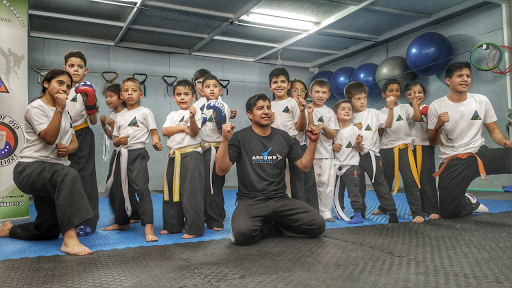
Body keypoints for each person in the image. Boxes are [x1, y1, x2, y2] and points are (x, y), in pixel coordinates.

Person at [0, 69, 94, 255]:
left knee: (48, 230)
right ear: (46, 84)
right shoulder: (36, 107)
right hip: (29, 169)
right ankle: (70, 240)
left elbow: (74, 142)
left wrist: (68, 149)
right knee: (68, 173)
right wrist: (58, 109)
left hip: (52, 174)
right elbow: (49, 138)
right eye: (60, 83)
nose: (65, 89)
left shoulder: (66, 113)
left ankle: (9, 229)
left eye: (68, 86)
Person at [215, 94, 325, 245]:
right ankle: (267, 226)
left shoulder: (284, 137)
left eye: (268, 108)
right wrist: (224, 140)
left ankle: (271, 228)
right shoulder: (240, 138)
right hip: (251, 201)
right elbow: (221, 170)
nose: (266, 111)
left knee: (317, 225)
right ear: (250, 115)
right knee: (242, 234)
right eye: (260, 108)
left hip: (280, 199)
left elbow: (304, 166)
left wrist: (313, 142)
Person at [428, 61, 512, 219]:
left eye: (468, 76)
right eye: (459, 76)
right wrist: (438, 125)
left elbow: (494, 130)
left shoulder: (481, 101)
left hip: (479, 153)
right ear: (448, 81)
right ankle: (469, 201)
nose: (465, 79)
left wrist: (505, 142)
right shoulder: (436, 106)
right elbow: (433, 142)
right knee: (448, 212)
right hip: (452, 160)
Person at [103, 77, 162, 242]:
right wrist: (118, 141)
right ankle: (122, 222)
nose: (130, 93)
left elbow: (153, 132)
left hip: (138, 154)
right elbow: (115, 139)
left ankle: (149, 227)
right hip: (121, 154)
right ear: (121, 96)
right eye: (126, 91)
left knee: (141, 189)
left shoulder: (145, 112)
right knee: (119, 190)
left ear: (140, 94)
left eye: (134, 90)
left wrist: (156, 141)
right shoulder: (120, 117)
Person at [345, 81, 399, 223]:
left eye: (364, 98)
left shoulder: (373, 113)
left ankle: (391, 210)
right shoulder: (347, 116)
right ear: (350, 101)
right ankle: (360, 211)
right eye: (358, 99)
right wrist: (352, 127)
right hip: (354, 156)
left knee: (380, 183)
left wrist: (391, 109)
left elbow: (387, 124)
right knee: (358, 186)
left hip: (372, 155)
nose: (362, 101)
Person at [160, 79, 205, 239]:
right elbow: (165, 131)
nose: (182, 97)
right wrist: (182, 127)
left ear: (193, 96)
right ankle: (172, 226)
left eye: (186, 94)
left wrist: (191, 120)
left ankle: (194, 228)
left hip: (191, 155)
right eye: (178, 94)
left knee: (191, 192)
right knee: (171, 191)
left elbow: (193, 132)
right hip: (174, 156)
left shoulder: (196, 112)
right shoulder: (172, 114)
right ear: (174, 97)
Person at [62, 50, 99, 236]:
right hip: (60, 137)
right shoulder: (58, 89)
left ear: (86, 70)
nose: (75, 69)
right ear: (64, 68)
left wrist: (90, 101)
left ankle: (89, 221)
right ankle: (64, 219)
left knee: (85, 178)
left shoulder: (86, 89)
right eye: (71, 66)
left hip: (82, 133)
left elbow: (93, 121)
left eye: (80, 67)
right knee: (62, 178)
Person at [378, 79, 425, 223]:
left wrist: (414, 101)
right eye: (390, 91)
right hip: (386, 149)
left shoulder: (405, 107)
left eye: (397, 90)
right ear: (383, 94)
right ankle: (385, 207)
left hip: (404, 148)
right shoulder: (379, 112)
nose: (395, 93)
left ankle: (417, 212)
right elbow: (379, 133)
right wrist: (390, 109)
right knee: (385, 181)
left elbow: (417, 118)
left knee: (410, 180)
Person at [99, 84, 140, 224]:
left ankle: (125, 217)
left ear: (121, 98)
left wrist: (112, 124)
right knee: (115, 185)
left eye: (111, 96)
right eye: (106, 97)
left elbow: (128, 136)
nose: (107, 100)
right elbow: (113, 138)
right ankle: (131, 214)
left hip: (127, 154)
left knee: (121, 186)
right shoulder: (113, 114)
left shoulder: (125, 114)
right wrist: (105, 126)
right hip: (117, 153)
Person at [269, 68, 307, 201]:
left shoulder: (293, 103)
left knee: (296, 180)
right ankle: (279, 208)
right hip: (273, 144)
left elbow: (300, 128)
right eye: (275, 82)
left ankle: (298, 210)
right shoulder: (268, 105)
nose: (279, 85)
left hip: (292, 143)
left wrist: (302, 112)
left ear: (289, 85)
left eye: (283, 82)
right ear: (270, 87)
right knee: (276, 178)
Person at [198, 74, 230, 231]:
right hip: (201, 148)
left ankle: (216, 220)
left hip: (218, 148)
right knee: (203, 185)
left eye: (215, 86)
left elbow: (222, 130)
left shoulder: (224, 107)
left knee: (215, 185)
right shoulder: (198, 107)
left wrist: (219, 116)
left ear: (221, 90)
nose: (211, 89)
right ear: (201, 90)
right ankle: (207, 213)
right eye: (207, 86)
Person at [406, 81, 440, 220]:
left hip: (424, 147)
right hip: (409, 148)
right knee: (413, 180)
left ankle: (432, 208)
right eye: (413, 92)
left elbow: (420, 115)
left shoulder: (427, 108)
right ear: (407, 94)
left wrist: (415, 102)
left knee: (426, 178)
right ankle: (418, 208)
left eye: (420, 92)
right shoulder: (405, 110)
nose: (417, 95)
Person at [307, 79, 339, 222]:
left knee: (326, 184)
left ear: (328, 95)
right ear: (310, 93)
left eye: (323, 93)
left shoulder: (329, 112)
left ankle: (325, 211)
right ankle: (311, 210)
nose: (320, 95)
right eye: (317, 92)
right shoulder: (306, 109)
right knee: (310, 184)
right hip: (309, 155)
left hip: (326, 154)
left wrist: (323, 126)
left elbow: (333, 135)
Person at [332, 100, 364, 224]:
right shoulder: (333, 131)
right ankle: (339, 212)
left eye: (349, 109)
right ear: (336, 114)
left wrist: (359, 143)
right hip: (336, 165)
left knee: (353, 191)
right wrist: (332, 147)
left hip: (351, 165)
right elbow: (327, 145)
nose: (347, 111)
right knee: (337, 191)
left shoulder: (355, 130)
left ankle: (358, 214)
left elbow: (361, 150)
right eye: (343, 109)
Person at [289, 78, 319, 211]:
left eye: (302, 91)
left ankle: (311, 213)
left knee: (307, 183)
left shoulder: (307, 108)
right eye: (295, 90)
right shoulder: (280, 106)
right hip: (283, 148)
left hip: (301, 147)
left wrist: (308, 112)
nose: (299, 93)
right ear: (289, 91)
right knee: (293, 184)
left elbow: (309, 128)